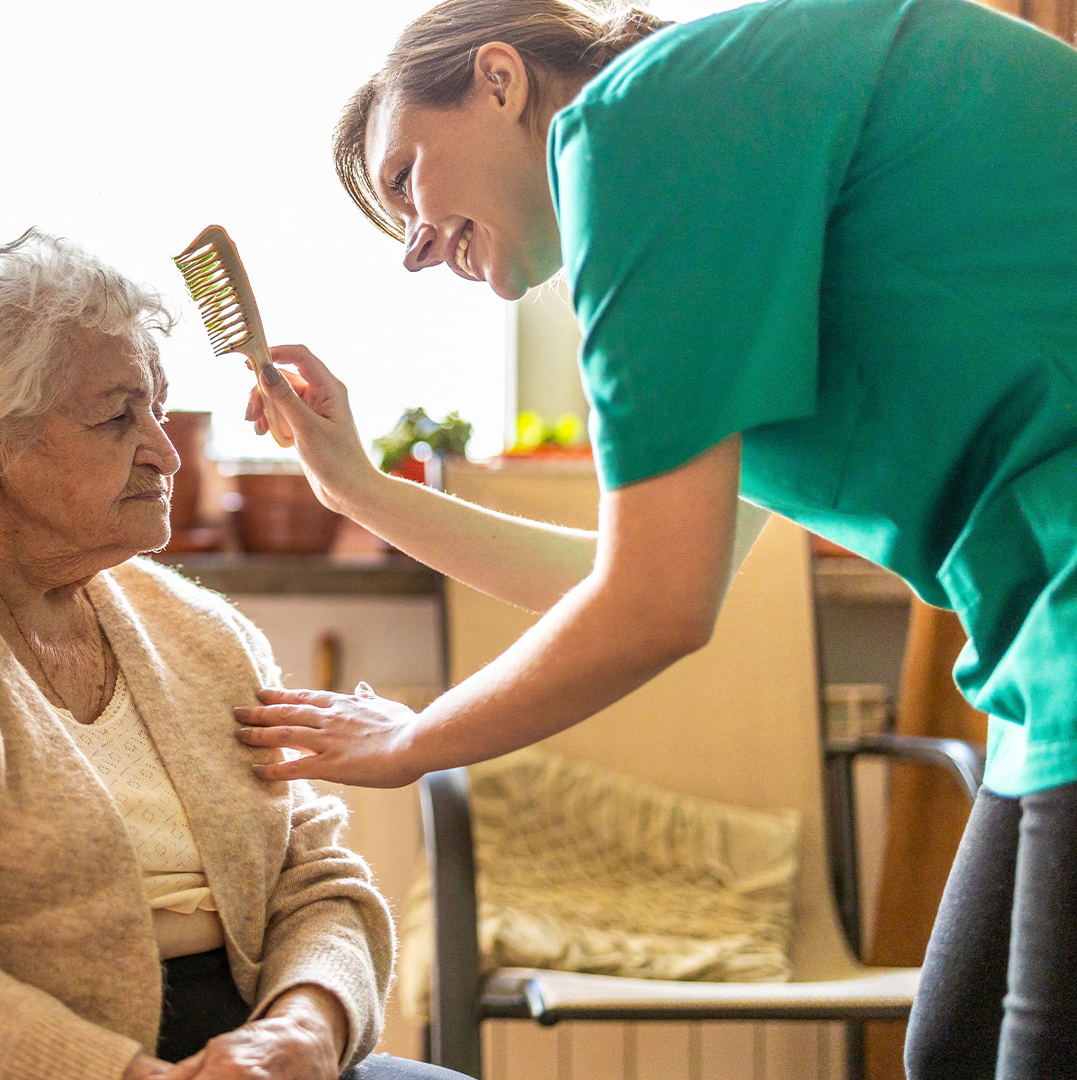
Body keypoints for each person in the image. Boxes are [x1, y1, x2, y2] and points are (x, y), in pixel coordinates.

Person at [230, 0, 1077, 1075]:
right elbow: (636, 573)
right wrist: (357, 491)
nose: (411, 247)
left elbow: (655, 606)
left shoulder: (647, 123)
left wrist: (412, 741)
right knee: (949, 1052)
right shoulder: (714, 177)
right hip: (1041, 651)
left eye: (406, 178)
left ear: (499, 80)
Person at [0, 229, 464, 1080]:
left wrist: (305, 1030)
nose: (166, 452)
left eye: (159, 408)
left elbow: (317, 881)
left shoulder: (198, 633)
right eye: (115, 416)